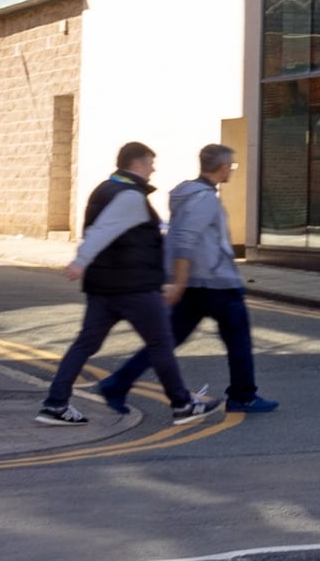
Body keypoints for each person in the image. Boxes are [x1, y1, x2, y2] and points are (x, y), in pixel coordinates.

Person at [38, 143, 221, 428]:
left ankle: (55, 403)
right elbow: (103, 230)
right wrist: (80, 260)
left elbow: (108, 231)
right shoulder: (130, 196)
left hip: (104, 287)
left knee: (85, 344)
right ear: (136, 165)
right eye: (150, 163)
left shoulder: (105, 189)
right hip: (133, 287)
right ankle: (183, 405)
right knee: (161, 343)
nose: (153, 169)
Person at [100, 144, 272, 416]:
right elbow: (184, 240)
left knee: (166, 340)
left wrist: (181, 281)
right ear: (222, 167)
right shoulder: (204, 199)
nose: (232, 170)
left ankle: (117, 383)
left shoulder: (189, 194)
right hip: (215, 284)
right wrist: (178, 284)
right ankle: (243, 396)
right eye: (231, 166)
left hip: (197, 283)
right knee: (238, 340)